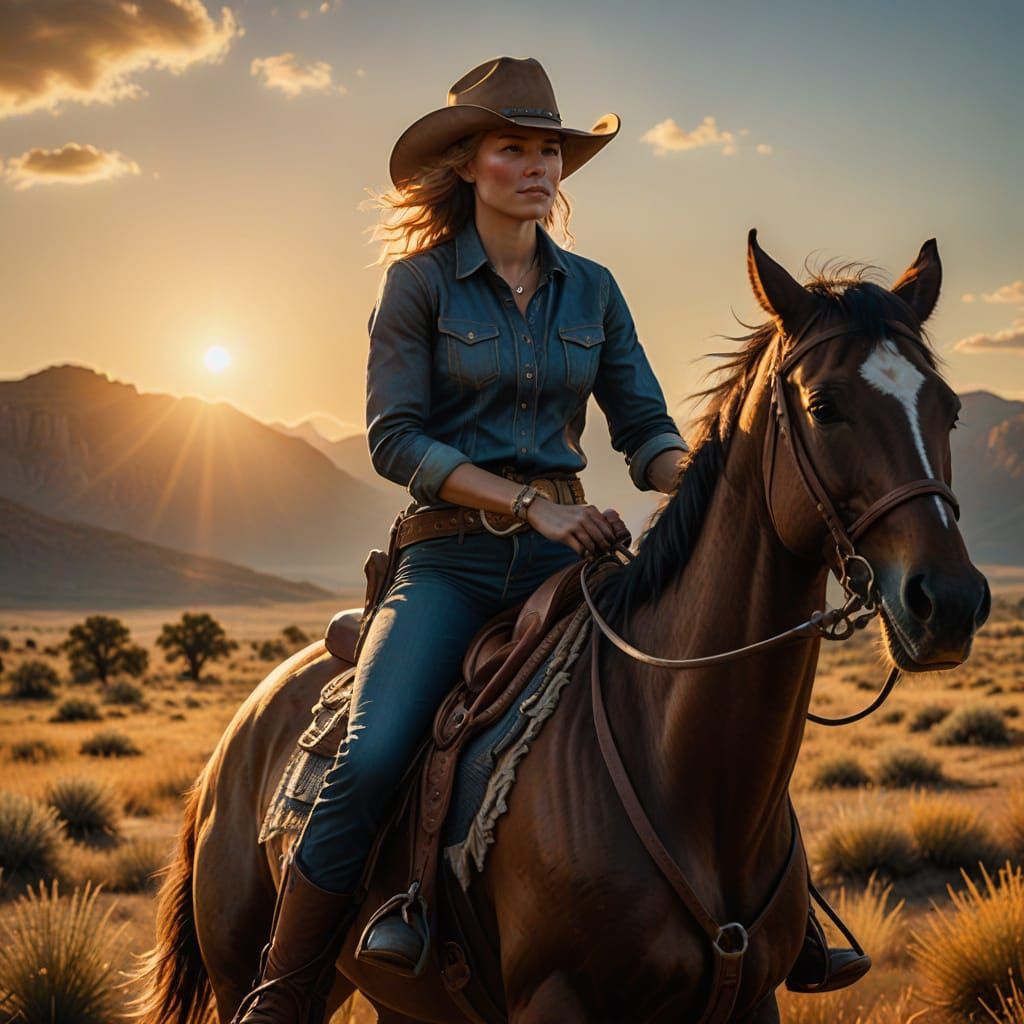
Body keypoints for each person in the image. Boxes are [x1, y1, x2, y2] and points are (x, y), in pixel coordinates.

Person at [231, 56, 866, 1024]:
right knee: (372, 752)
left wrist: (706, 484)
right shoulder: (418, 286)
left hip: (575, 558)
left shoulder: (593, 292)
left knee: (708, 711)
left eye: (551, 151)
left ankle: (775, 916)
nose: (539, 167)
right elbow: (395, 440)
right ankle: (283, 992)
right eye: (515, 148)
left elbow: (645, 432)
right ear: (467, 165)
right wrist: (531, 506)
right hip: (451, 559)